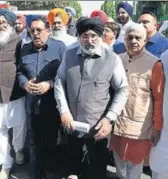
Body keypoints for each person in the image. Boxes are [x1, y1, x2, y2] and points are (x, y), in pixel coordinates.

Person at [54, 17, 129, 179]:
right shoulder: (69, 55)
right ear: (79, 37)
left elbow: (122, 89)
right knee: (72, 168)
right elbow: (59, 81)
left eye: (93, 36)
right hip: (72, 124)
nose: (89, 40)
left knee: (95, 170)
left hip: (98, 128)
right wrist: (64, 111)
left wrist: (109, 119)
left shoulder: (112, 59)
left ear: (100, 36)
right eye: (85, 36)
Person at [110, 23, 164, 179]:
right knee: (118, 162)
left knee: (135, 165)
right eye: (129, 37)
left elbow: (158, 98)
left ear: (145, 40)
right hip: (117, 121)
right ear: (124, 39)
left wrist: (156, 127)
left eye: (138, 38)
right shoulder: (116, 60)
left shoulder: (154, 64)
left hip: (140, 125)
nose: (133, 41)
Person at [17, 16, 67, 179]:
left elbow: (65, 75)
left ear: (48, 31)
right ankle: (37, 171)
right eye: (32, 31)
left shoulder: (60, 48)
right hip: (32, 104)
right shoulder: (24, 49)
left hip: (52, 104)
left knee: (51, 137)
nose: (36, 34)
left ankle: (50, 167)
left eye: (39, 30)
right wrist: (24, 83)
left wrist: (49, 84)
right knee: (33, 139)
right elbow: (19, 72)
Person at [0, 9, 26, 179]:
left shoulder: (20, 41)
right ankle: (6, 163)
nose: (1, 25)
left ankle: (19, 150)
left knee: (19, 125)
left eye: (4, 22)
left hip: (15, 91)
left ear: (10, 23)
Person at [150, 50, 168, 179]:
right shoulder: (165, 58)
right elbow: (158, 95)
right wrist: (157, 126)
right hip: (165, 128)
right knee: (160, 170)